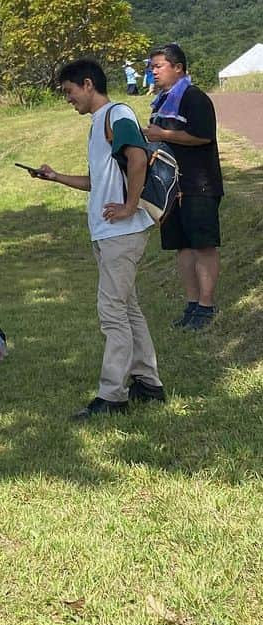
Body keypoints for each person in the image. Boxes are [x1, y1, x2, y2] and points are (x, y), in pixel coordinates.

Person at [34, 58, 164, 418]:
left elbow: (137, 158)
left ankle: (113, 396)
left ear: (88, 84)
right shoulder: (99, 124)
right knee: (127, 308)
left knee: (112, 313)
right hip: (109, 234)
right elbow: (97, 182)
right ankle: (148, 383)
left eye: (69, 91)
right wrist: (56, 177)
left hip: (121, 234)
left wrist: (129, 205)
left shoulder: (117, 114)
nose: (68, 98)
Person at [144, 43, 223, 330]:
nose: (153, 71)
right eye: (151, 66)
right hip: (171, 188)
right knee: (182, 247)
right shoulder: (163, 100)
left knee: (203, 245)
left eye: (158, 66)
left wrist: (162, 133)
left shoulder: (194, 97)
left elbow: (202, 136)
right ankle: (192, 305)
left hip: (198, 184)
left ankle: (206, 306)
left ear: (178, 67)